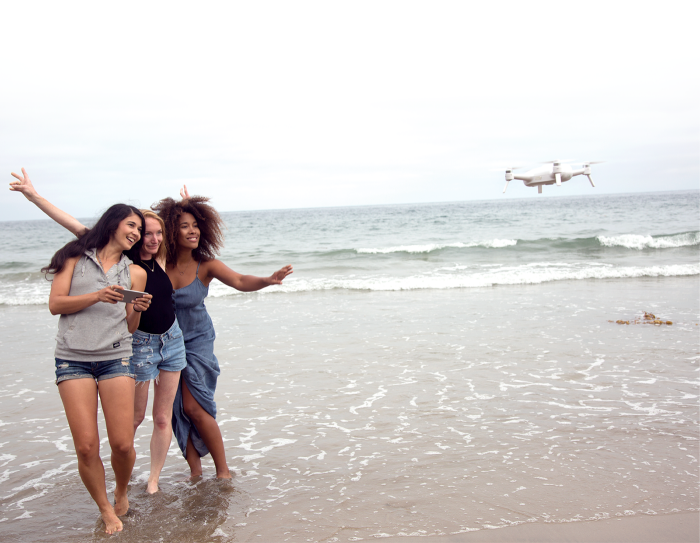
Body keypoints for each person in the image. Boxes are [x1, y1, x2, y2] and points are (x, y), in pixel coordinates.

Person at [9, 168, 186, 494]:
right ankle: (123, 478)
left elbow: (182, 233)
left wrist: (185, 207)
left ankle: (152, 482)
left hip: (172, 341)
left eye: (155, 232)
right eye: (139, 230)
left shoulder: (160, 257)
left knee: (162, 419)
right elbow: (73, 225)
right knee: (133, 420)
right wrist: (33, 196)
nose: (148, 237)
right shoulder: (124, 257)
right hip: (138, 344)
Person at [153, 194, 292, 479]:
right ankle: (195, 472)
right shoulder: (158, 264)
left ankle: (223, 471)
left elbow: (240, 281)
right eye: (184, 226)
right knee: (176, 410)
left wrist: (268, 279)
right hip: (166, 344)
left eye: (195, 225)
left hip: (198, 341)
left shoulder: (206, 265)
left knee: (194, 405)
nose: (193, 231)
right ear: (170, 231)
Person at [42, 201, 151, 534]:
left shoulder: (136, 272)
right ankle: (105, 508)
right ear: (114, 223)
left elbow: (130, 327)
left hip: (116, 357)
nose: (136, 233)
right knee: (86, 445)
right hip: (72, 358)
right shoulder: (74, 258)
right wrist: (96, 295)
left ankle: (120, 490)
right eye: (131, 226)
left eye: (140, 230)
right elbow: (55, 304)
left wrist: (137, 308)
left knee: (122, 444)